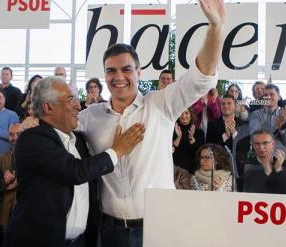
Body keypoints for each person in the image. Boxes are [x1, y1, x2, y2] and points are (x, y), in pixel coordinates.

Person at [78, 1, 225, 246]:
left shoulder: (160, 104)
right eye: (111, 71)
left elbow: (201, 77)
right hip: (109, 229)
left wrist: (216, 28)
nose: (119, 77)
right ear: (104, 75)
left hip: (158, 228)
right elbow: (57, 130)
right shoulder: (90, 116)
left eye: (126, 69)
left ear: (139, 72)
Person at [4, 77, 145, 247]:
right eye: (71, 100)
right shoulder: (32, 139)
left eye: (77, 99)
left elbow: (91, 171)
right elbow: (75, 171)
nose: (78, 106)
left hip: (80, 242)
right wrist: (117, 150)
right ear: (48, 107)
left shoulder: (77, 140)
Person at [249, 84, 286, 161]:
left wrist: (282, 128)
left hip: (281, 158)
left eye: (272, 94)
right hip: (260, 158)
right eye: (266, 95)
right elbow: (255, 138)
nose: (268, 97)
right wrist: (276, 126)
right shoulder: (256, 114)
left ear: (279, 97)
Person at [0, 123, 23, 244]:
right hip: (5, 213)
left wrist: (19, 181)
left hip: (26, 213)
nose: (15, 138)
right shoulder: (0, 158)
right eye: (11, 134)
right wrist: (5, 184)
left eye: (19, 134)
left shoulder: (35, 157)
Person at [242, 130, 286, 194]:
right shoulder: (246, 165)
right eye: (257, 144)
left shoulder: (285, 164)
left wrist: (278, 169)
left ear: (273, 144)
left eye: (265, 143)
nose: (261, 147)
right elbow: (247, 189)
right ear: (253, 145)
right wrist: (267, 173)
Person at [173, 107, 205, 174]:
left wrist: (191, 138)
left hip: (191, 172)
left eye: (186, 113)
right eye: (181, 113)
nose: (184, 116)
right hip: (174, 171)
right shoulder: (172, 132)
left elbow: (198, 154)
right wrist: (179, 137)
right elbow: (170, 152)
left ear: (191, 115)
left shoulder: (199, 133)